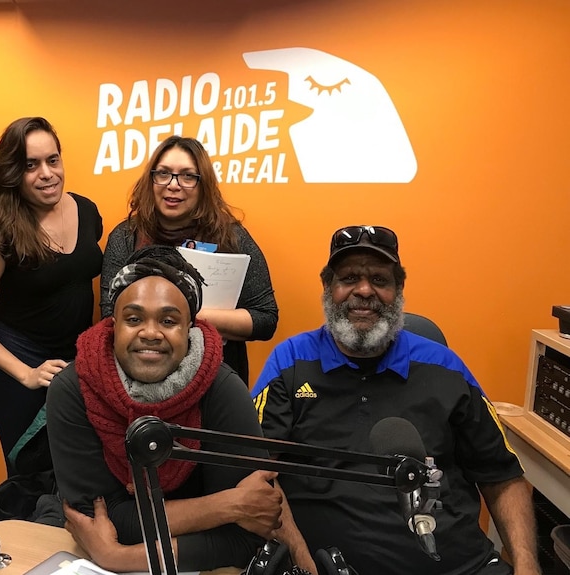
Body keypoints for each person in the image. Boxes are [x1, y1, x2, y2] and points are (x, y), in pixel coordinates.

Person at [252, 225, 541, 575]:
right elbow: (258, 475)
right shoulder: (289, 364)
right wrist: (303, 562)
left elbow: (503, 476)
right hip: (329, 567)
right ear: (328, 287)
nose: (363, 290)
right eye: (349, 278)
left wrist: (527, 566)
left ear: (399, 290)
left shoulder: (446, 367)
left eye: (379, 279)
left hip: (458, 565)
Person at [47, 247, 303, 572]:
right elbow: (92, 519)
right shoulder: (73, 389)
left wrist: (119, 555)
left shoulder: (222, 388)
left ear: (189, 331)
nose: (150, 333)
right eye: (134, 318)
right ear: (112, 326)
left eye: (168, 321)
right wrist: (225, 506)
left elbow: (247, 537)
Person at [0, 116, 103, 473]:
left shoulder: (86, 210)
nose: (47, 173)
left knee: (80, 470)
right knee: (31, 476)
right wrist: (26, 374)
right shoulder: (0, 233)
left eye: (53, 160)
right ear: (13, 174)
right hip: (20, 365)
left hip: (74, 361)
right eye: (31, 166)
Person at [100, 136, 278, 385]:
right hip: (140, 379)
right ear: (150, 180)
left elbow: (266, 319)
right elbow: (109, 316)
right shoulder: (127, 236)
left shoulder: (231, 237)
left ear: (203, 184)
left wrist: (187, 316)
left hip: (214, 379)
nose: (173, 185)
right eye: (163, 173)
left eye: (187, 176)